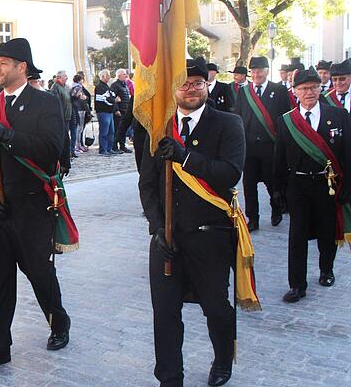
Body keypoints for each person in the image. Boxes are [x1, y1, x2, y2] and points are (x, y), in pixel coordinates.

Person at [139, 57, 246, 387]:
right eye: (184, 83)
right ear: (174, 88)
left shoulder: (228, 124)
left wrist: (185, 156)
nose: (190, 89)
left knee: (216, 308)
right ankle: (170, 378)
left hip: (210, 235)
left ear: (207, 86)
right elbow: (147, 183)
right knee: (166, 313)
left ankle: (223, 359)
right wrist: (157, 228)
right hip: (167, 238)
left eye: (198, 83)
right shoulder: (159, 127)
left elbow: (230, 173)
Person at [0, 38, 70, 372]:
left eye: (4, 62)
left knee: (39, 273)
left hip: (31, 208)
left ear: (22, 67)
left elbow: (52, 150)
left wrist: (8, 136)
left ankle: (58, 320)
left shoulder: (45, 103)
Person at [274, 67, 351, 303]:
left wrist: (347, 185)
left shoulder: (339, 116)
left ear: (320, 88)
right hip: (298, 184)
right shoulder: (286, 121)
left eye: (314, 87)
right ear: (295, 92)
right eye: (304, 88)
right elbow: (279, 157)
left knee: (327, 231)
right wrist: (278, 190)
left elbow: (348, 153)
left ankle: (326, 270)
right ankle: (297, 284)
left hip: (327, 183)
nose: (309, 92)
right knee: (297, 236)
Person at [233, 56, 291, 231]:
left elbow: (286, 117)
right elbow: (238, 116)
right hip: (249, 147)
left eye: (260, 70)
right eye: (254, 71)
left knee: (271, 181)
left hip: (270, 145)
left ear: (267, 71)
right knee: (249, 185)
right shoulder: (244, 92)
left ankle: (276, 209)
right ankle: (253, 218)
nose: (257, 74)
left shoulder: (279, 90)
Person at [94, 69, 117, 156]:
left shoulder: (107, 86)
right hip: (103, 112)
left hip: (110, 112)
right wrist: (114, 100)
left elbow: (111, 96)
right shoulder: (99, 87)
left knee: (111, 131)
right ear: (103, 76)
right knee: (104, 131)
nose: (109, 77)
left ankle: (109, 148)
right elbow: (103, 100)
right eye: (107, 75)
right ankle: (103, 149)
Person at [112, 69, 132, 153]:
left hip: (125, 110)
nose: (126, 75)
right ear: (119, 76)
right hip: (119, 111)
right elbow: (113, 98)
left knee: (123, 129)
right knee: (117, 129)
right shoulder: (115, 85)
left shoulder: (125, 85)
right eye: (124, 74)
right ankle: (114, 146)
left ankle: (122, 145)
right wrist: (116, 109)